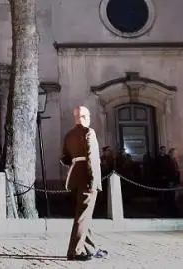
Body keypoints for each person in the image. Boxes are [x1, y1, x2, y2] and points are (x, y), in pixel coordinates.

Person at [62, 106, 105, 261]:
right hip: (87, 178)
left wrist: (76, 161)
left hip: (74, 177)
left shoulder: (69, 135)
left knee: (83, 214)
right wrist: (93, 181)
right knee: (82, 216)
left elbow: (64, 158)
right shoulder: (89, 132)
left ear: (76, 117)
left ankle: (93, 248)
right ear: (86, 117)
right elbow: (92, 158)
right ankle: (74, 251)